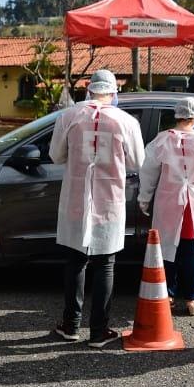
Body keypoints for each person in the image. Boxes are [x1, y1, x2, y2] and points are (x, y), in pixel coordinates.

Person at [51, 69, 146, 348]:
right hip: (109, 200)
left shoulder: (68, 116)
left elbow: (55, 155)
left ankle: (70, 325)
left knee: (75, 260)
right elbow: (138, 161)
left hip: (75, 198)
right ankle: (99, 331)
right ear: (114, 92)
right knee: (105, 264)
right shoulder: (125, 120)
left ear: (89, 89)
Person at [137, 96, 194, 317]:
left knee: (168, 250)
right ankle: (192, 299)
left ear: (176, 116)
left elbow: (148, 173)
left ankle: (167, 295)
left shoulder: (162, 140)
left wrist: (144, 198)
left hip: (169, 200)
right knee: (192, 252)